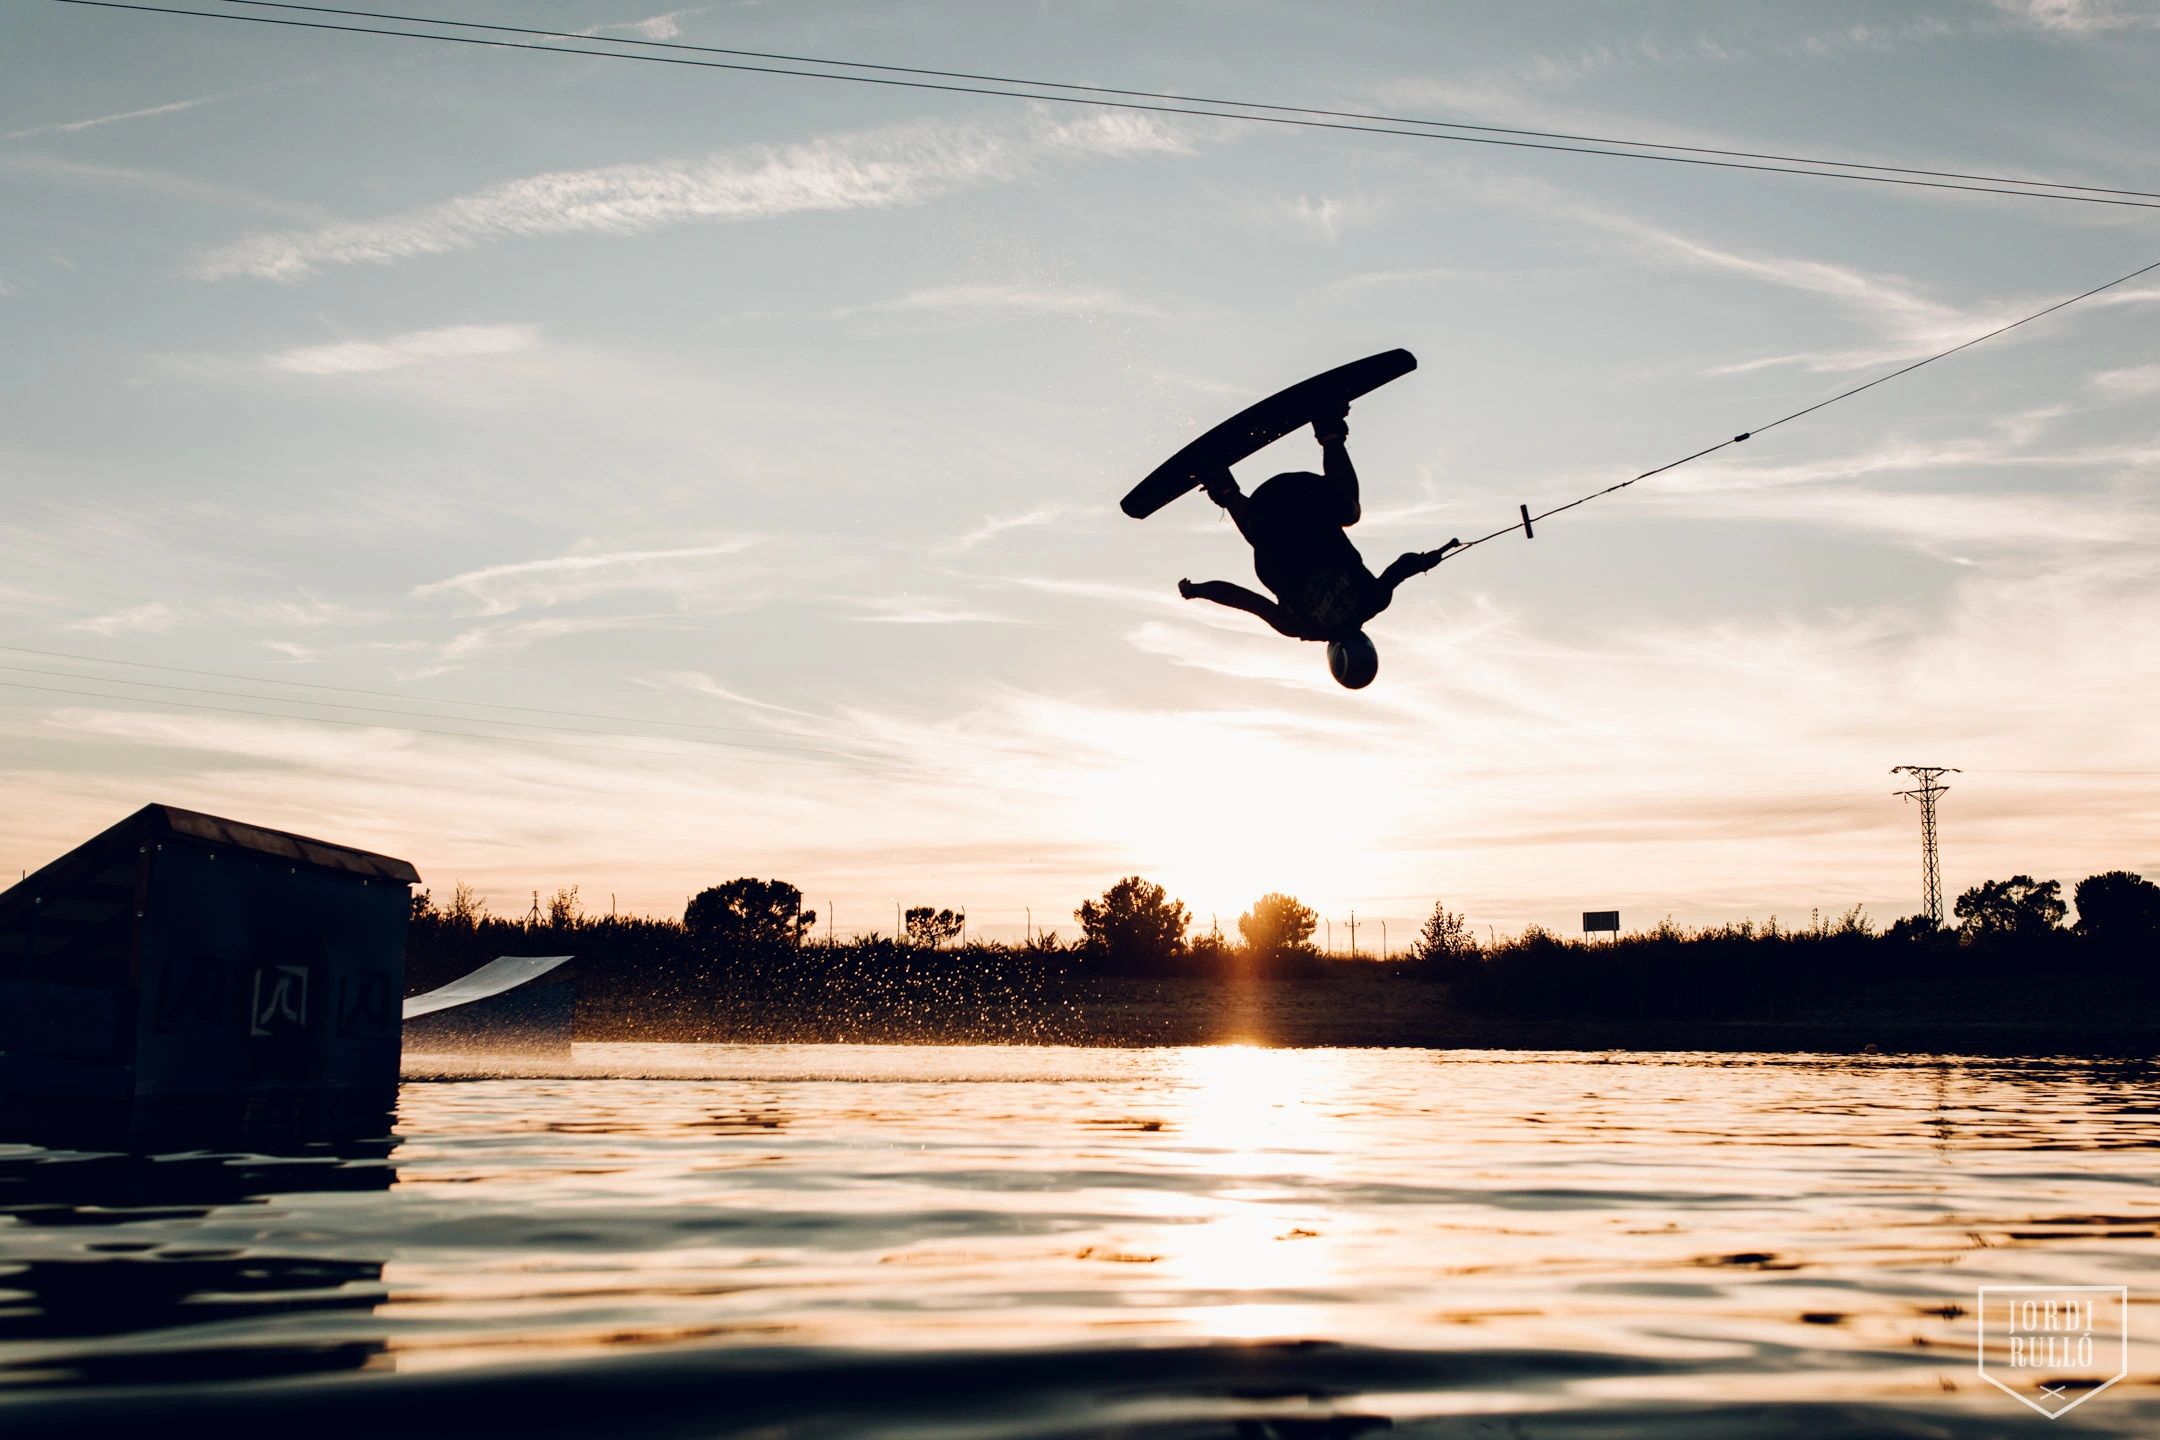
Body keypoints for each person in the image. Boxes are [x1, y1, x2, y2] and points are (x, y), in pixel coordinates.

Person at [1177, 402, 1457, 689]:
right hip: (1265, 509)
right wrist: (1198, 590)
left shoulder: (1373, 600)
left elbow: (1401, 567)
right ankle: (1221, 484)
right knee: (1262, 538)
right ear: (1334, 658)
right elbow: (1242, 598)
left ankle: (1329, 429)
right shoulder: (1296, 625)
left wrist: (1427, 559)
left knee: (1350, 512)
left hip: (1308, 494)